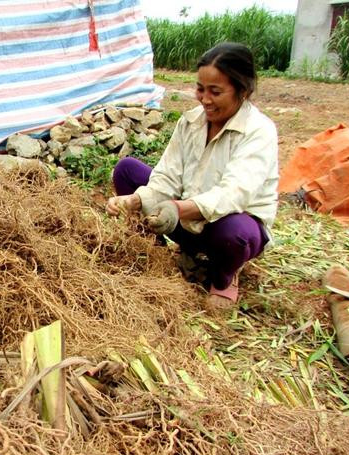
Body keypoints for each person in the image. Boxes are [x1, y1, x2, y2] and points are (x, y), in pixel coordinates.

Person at [106, 42, 279, 310]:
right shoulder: (190, 122)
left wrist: (177, 208)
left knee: (236, 233)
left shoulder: (259, 131)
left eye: (216, 91)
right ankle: (158, 255)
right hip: (185, 220)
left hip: (224, 230)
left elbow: (234, 194)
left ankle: (224, 277)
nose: (205, 99)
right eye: (200, 89)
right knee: (127, 170)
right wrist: (135, 201)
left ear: (242, 91)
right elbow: (167, 176)